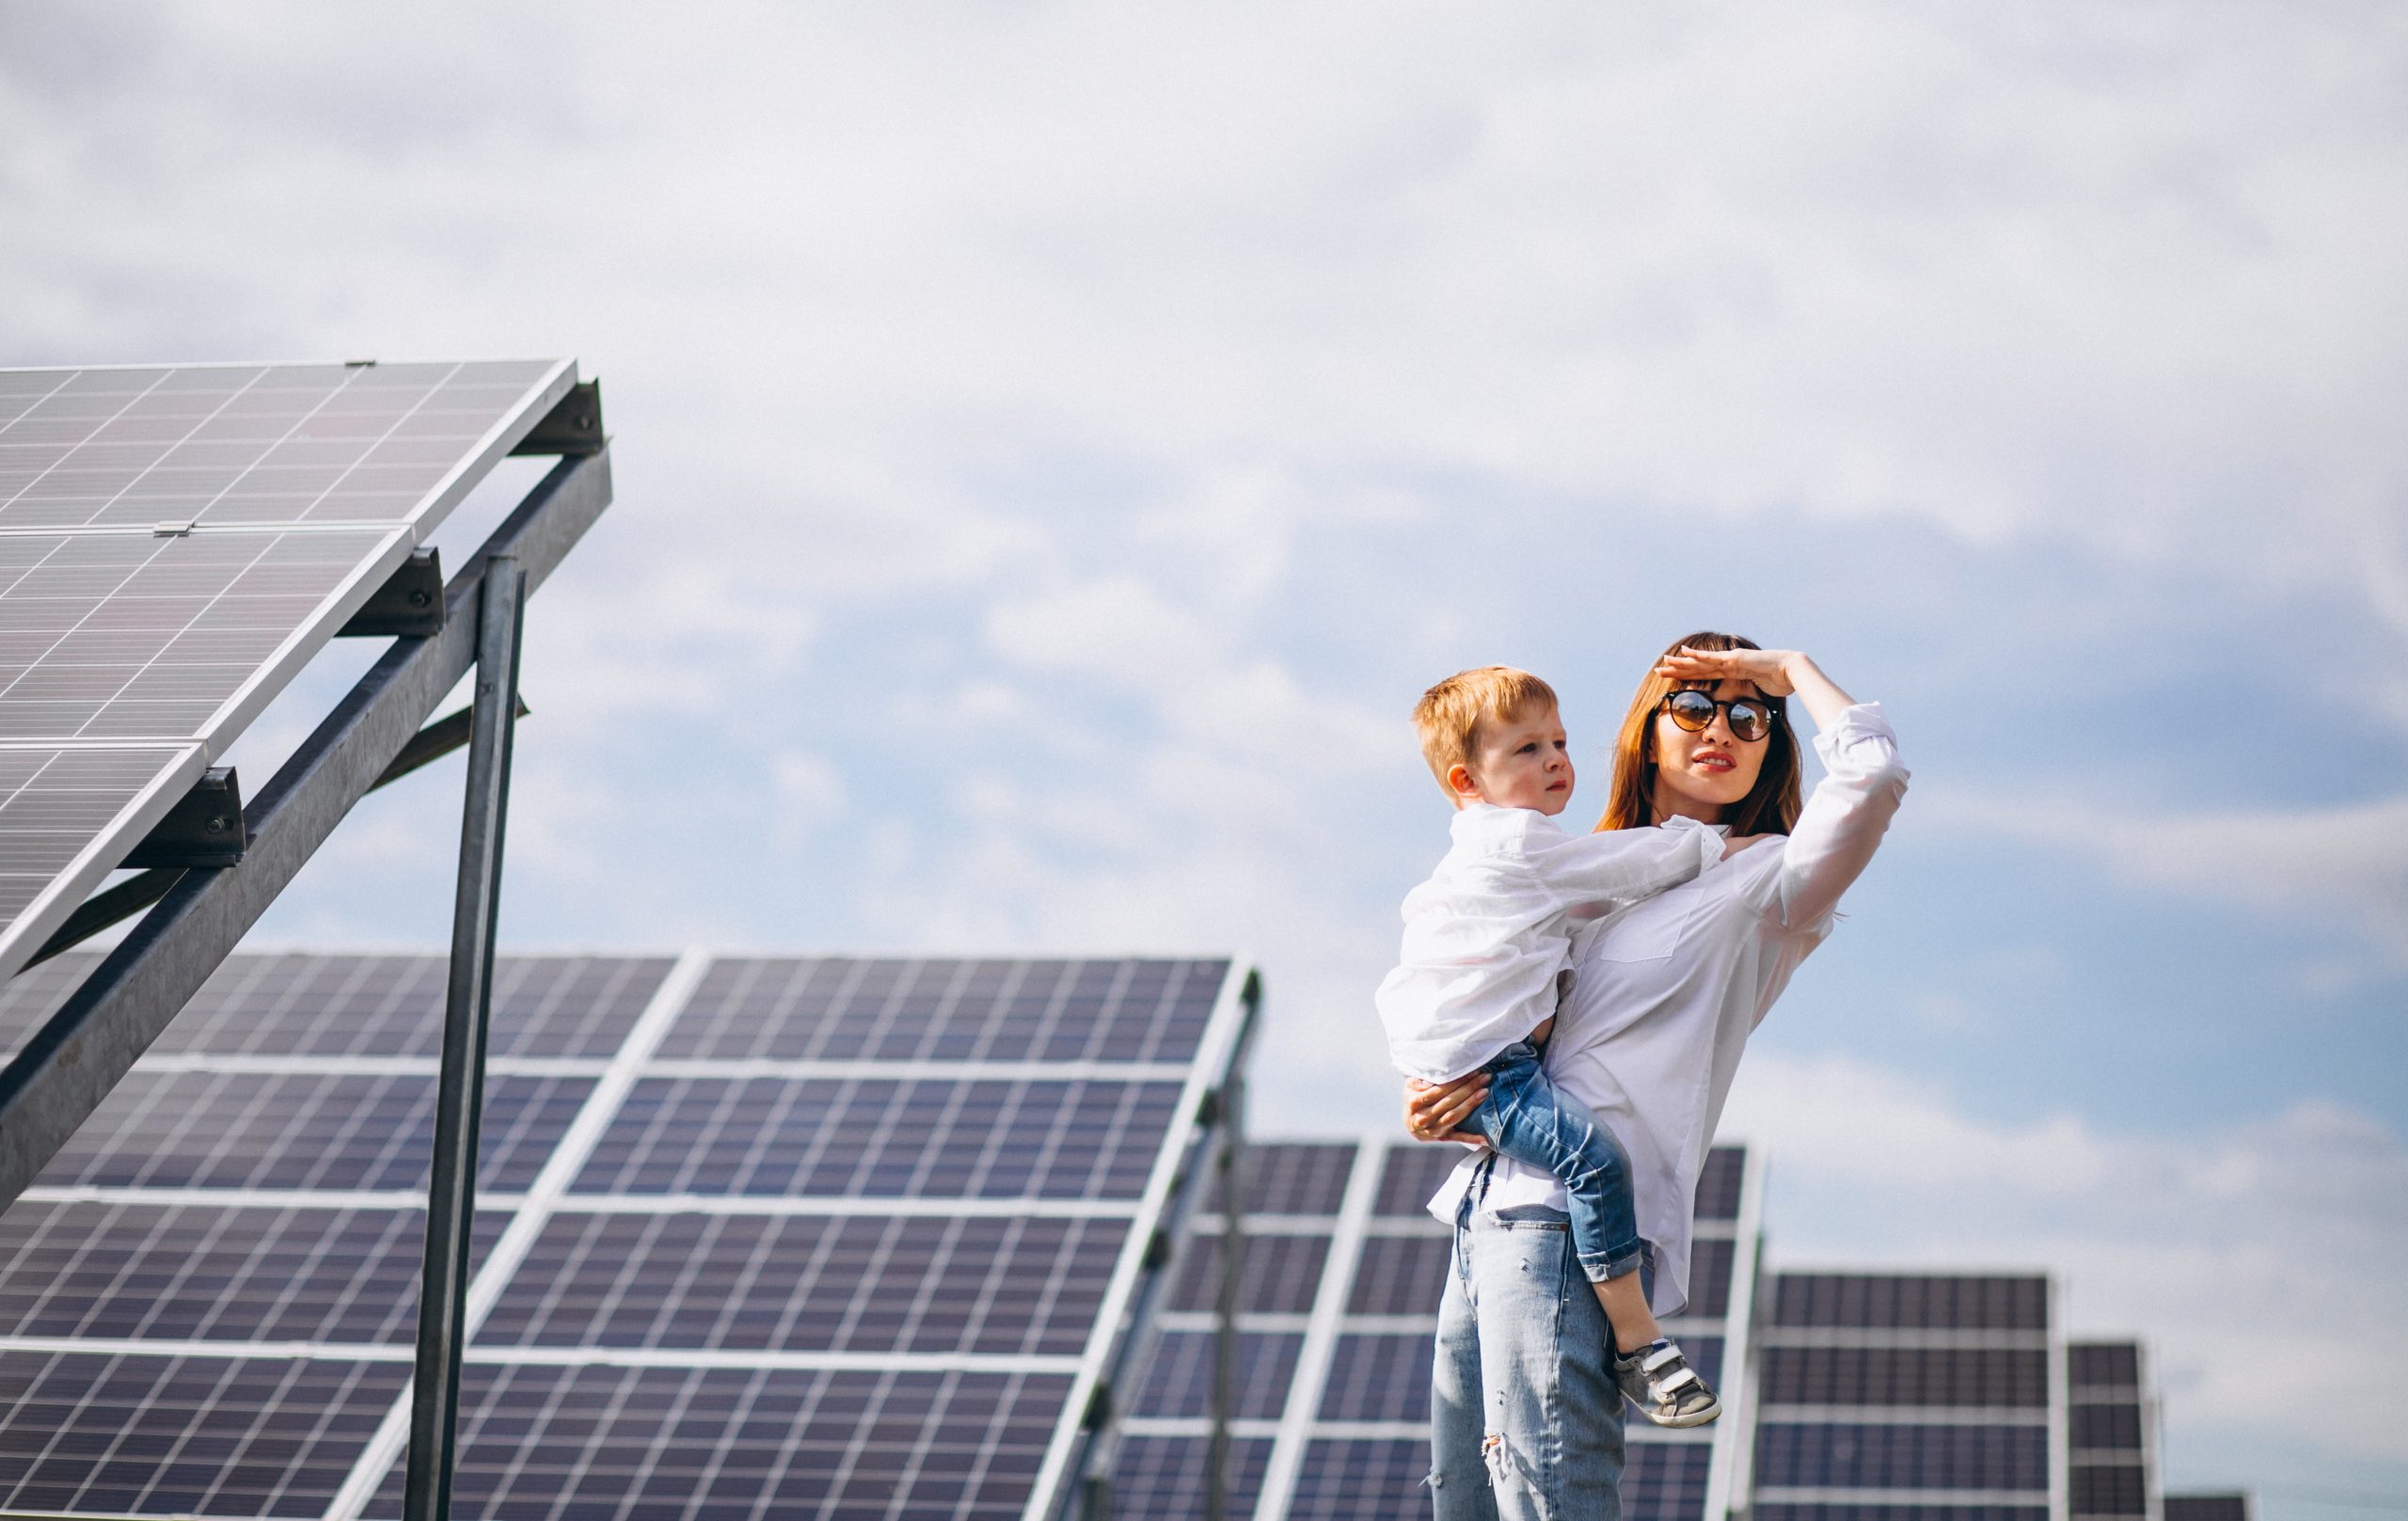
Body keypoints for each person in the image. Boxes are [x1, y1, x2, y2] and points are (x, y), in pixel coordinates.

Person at [1405, 634, 1908, 1520]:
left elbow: (1872, 783)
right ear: (1647, 726)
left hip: (1572, 1235)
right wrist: (1454, 1099)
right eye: (1697, 704)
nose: (1726, 725)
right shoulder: (1574, 871)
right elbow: (1499, 1011)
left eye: (1752, 715)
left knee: (1552, 1502)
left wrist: (1791, 671)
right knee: (1464, 1505)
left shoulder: (1767, 879)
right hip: (1485, 1216)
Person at [1375, 664, 1731, 1426]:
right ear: (1468, 780)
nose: (1555, 760)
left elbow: (1590, 897)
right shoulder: (1516, 844)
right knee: (1596, 1160)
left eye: (1560, 741)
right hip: (1496, 1072)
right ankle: (1639, 1342)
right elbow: (1618, 867)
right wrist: (1703, 847)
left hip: (1482, 1067)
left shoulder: (1497, 857)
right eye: (1528, 749)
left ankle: (1634, 1336)